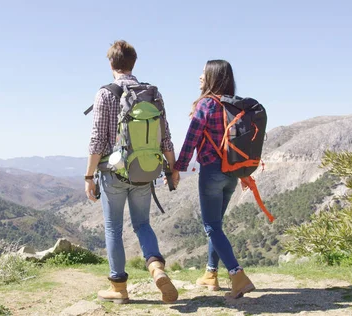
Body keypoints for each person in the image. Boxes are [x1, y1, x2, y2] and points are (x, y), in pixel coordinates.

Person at [84, 40, 179, 304]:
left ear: (111, 64)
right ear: (133, 63)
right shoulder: (152, 93)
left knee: (113, 228)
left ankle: (119, 287)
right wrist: (172, 169)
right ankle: (156, 267)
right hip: (144, 170)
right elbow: (166, 137)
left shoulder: (105, 94)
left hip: (112, 172)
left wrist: (89, 176)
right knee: (143, 224)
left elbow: (97, 142)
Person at [172, 59, 256, 299]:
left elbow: (191, 139)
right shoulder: (235, 106)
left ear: (212, 77)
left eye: (203, 73)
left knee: (211, 226)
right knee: (217, 225)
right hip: (232, 173)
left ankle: (237, 276)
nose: (199, 77)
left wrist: (178, 168)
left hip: (212, 171)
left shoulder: (206, 105)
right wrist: (244, 173)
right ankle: (210, 274)